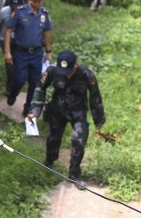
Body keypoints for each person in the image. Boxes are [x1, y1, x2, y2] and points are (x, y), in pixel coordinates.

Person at [26, 50, 105, 189]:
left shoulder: (87, 75)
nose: (65, 74)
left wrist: (99, 121)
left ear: (75, 66)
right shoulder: (52, 71)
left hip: (78, 112)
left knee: (79, 141)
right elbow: (40, 88)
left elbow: (95, 97)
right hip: (57, 110)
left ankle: (74, 173)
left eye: (68, 71)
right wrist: (34, 111)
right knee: (52, 139)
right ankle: (49, 162)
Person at [2, 0, 53, 116]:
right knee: (19, 78)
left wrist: (48, 52)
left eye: (41, 1)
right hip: (21, 52)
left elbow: (46, 33)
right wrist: (7, 52)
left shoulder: (44, 14)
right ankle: (13, 93)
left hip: (36, 53)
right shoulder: (20, 12)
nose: (39, 3)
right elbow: (8, 31)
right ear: (29, 0)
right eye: (36, 1)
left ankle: (28, 107)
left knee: (34, 81)